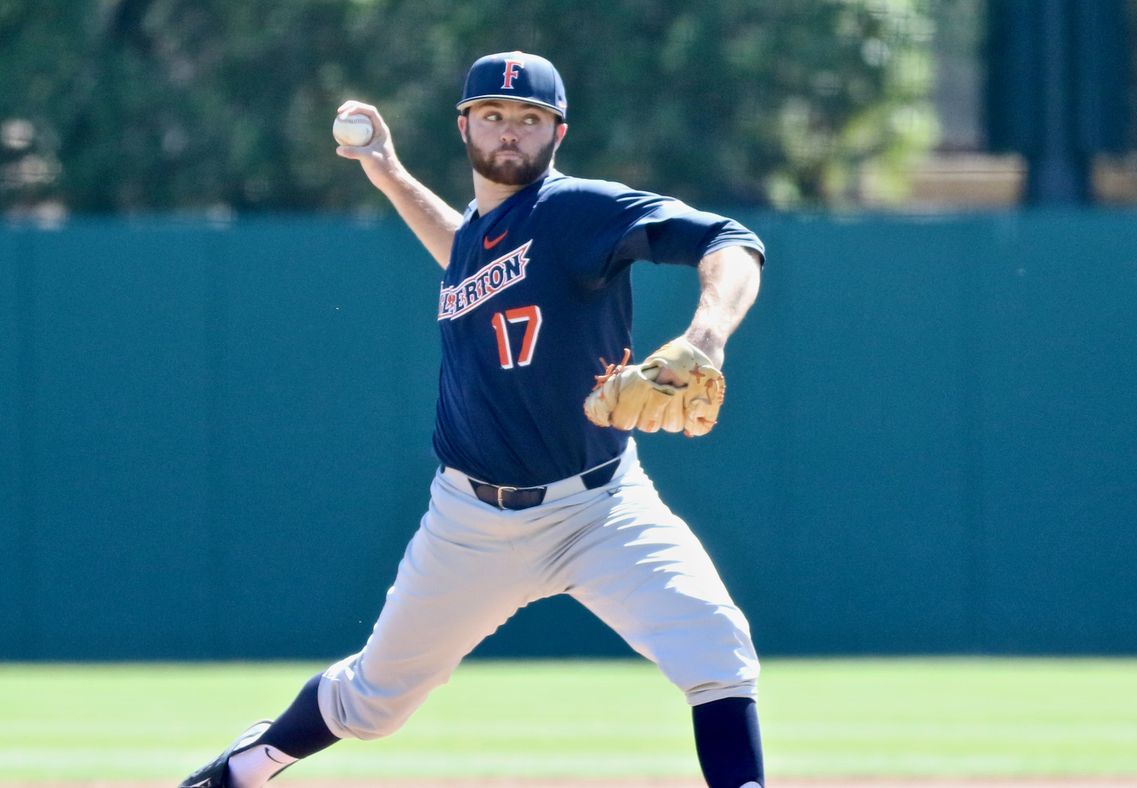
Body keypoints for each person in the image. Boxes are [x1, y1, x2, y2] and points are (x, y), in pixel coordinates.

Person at [180, 51, 766, 788]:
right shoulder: (485, 235)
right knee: (373, 703)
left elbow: (732, 241)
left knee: (718, 649)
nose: (510, 131)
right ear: (464, 126)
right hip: (471, 521)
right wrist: (388, 172)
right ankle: (245, 766)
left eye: (530, 118)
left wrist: (705, 336)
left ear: (558, 131)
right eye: (493, 115)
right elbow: (464, 257)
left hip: (604, 507)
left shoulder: (576, 210)